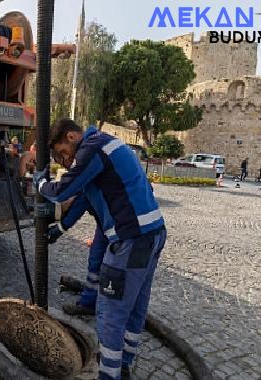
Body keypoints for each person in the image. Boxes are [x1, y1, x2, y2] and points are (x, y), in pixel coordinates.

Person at [34, 119, 166, 380]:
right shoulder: (105, 147)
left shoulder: (92, 148)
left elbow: (62, 192)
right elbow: (84, 196)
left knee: (109, 312)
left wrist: (40, 184)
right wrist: (61, 229)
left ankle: (109, 374)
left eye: (62, 152)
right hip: (152, 234)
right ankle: (124, 363)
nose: (64, 160)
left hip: (130, 239)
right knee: (136, 305)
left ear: (72, 136)